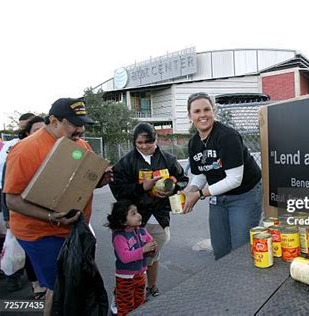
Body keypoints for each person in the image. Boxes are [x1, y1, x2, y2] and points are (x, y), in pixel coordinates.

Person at [3, 98, 112, 315]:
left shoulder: (81, 145)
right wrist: (53, 216)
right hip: (39, 233)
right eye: (74, 123)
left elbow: (81, 184)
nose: (80, 129)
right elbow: (12, 200)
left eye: (82, 123)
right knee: (59, 288)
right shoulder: (25, 150)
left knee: (76, 286)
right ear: (53, 121)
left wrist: (101, 180)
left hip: (70, 228)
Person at [110, 123, 188, 298]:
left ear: (156, 140)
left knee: (153, 253)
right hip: (137, 219)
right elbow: (118, 189)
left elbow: (183, 179)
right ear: (134, 142)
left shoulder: (168, 159)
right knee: (139, 255)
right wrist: (141, 187)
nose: (144, 146)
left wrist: (173, 185)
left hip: (160, 215)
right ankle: (133, 289)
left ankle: (148, 286)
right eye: (139, 143)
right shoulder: (127, 162)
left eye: (148, 142)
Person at [182, 92, 262, 260]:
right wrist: (190, 190)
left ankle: (244, 284)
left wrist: (199, 194)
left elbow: (234, 179)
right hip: (217, 196)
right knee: (220, 248)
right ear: (190, 116)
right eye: (197, 111)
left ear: (214, 111)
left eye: (207, 109)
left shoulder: (227, 136)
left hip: (244, 194)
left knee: (240, 249)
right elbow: (201, 173)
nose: (202, 115)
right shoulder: (194, 143)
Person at [0, 115, 46, 298]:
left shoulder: (51, 153)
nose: (41, 135)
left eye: (44, 130)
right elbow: (7, 190)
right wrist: (7, 217)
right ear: (27, 133)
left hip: (45, 215)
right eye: (37, 131)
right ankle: (37, 285)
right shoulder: (17, 154)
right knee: (29, 252)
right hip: (23, 215)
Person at [106, 200, 157, 316]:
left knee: (140, 301)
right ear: (123, 221)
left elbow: (150, 242)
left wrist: (153, 247)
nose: (138, 215)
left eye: (137, 212)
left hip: (141, 273)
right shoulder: (119, 236)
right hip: (126, 277)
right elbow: (124, 257)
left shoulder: (142, 231)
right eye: (133, 214)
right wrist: (143, 250)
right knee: (125, 305)